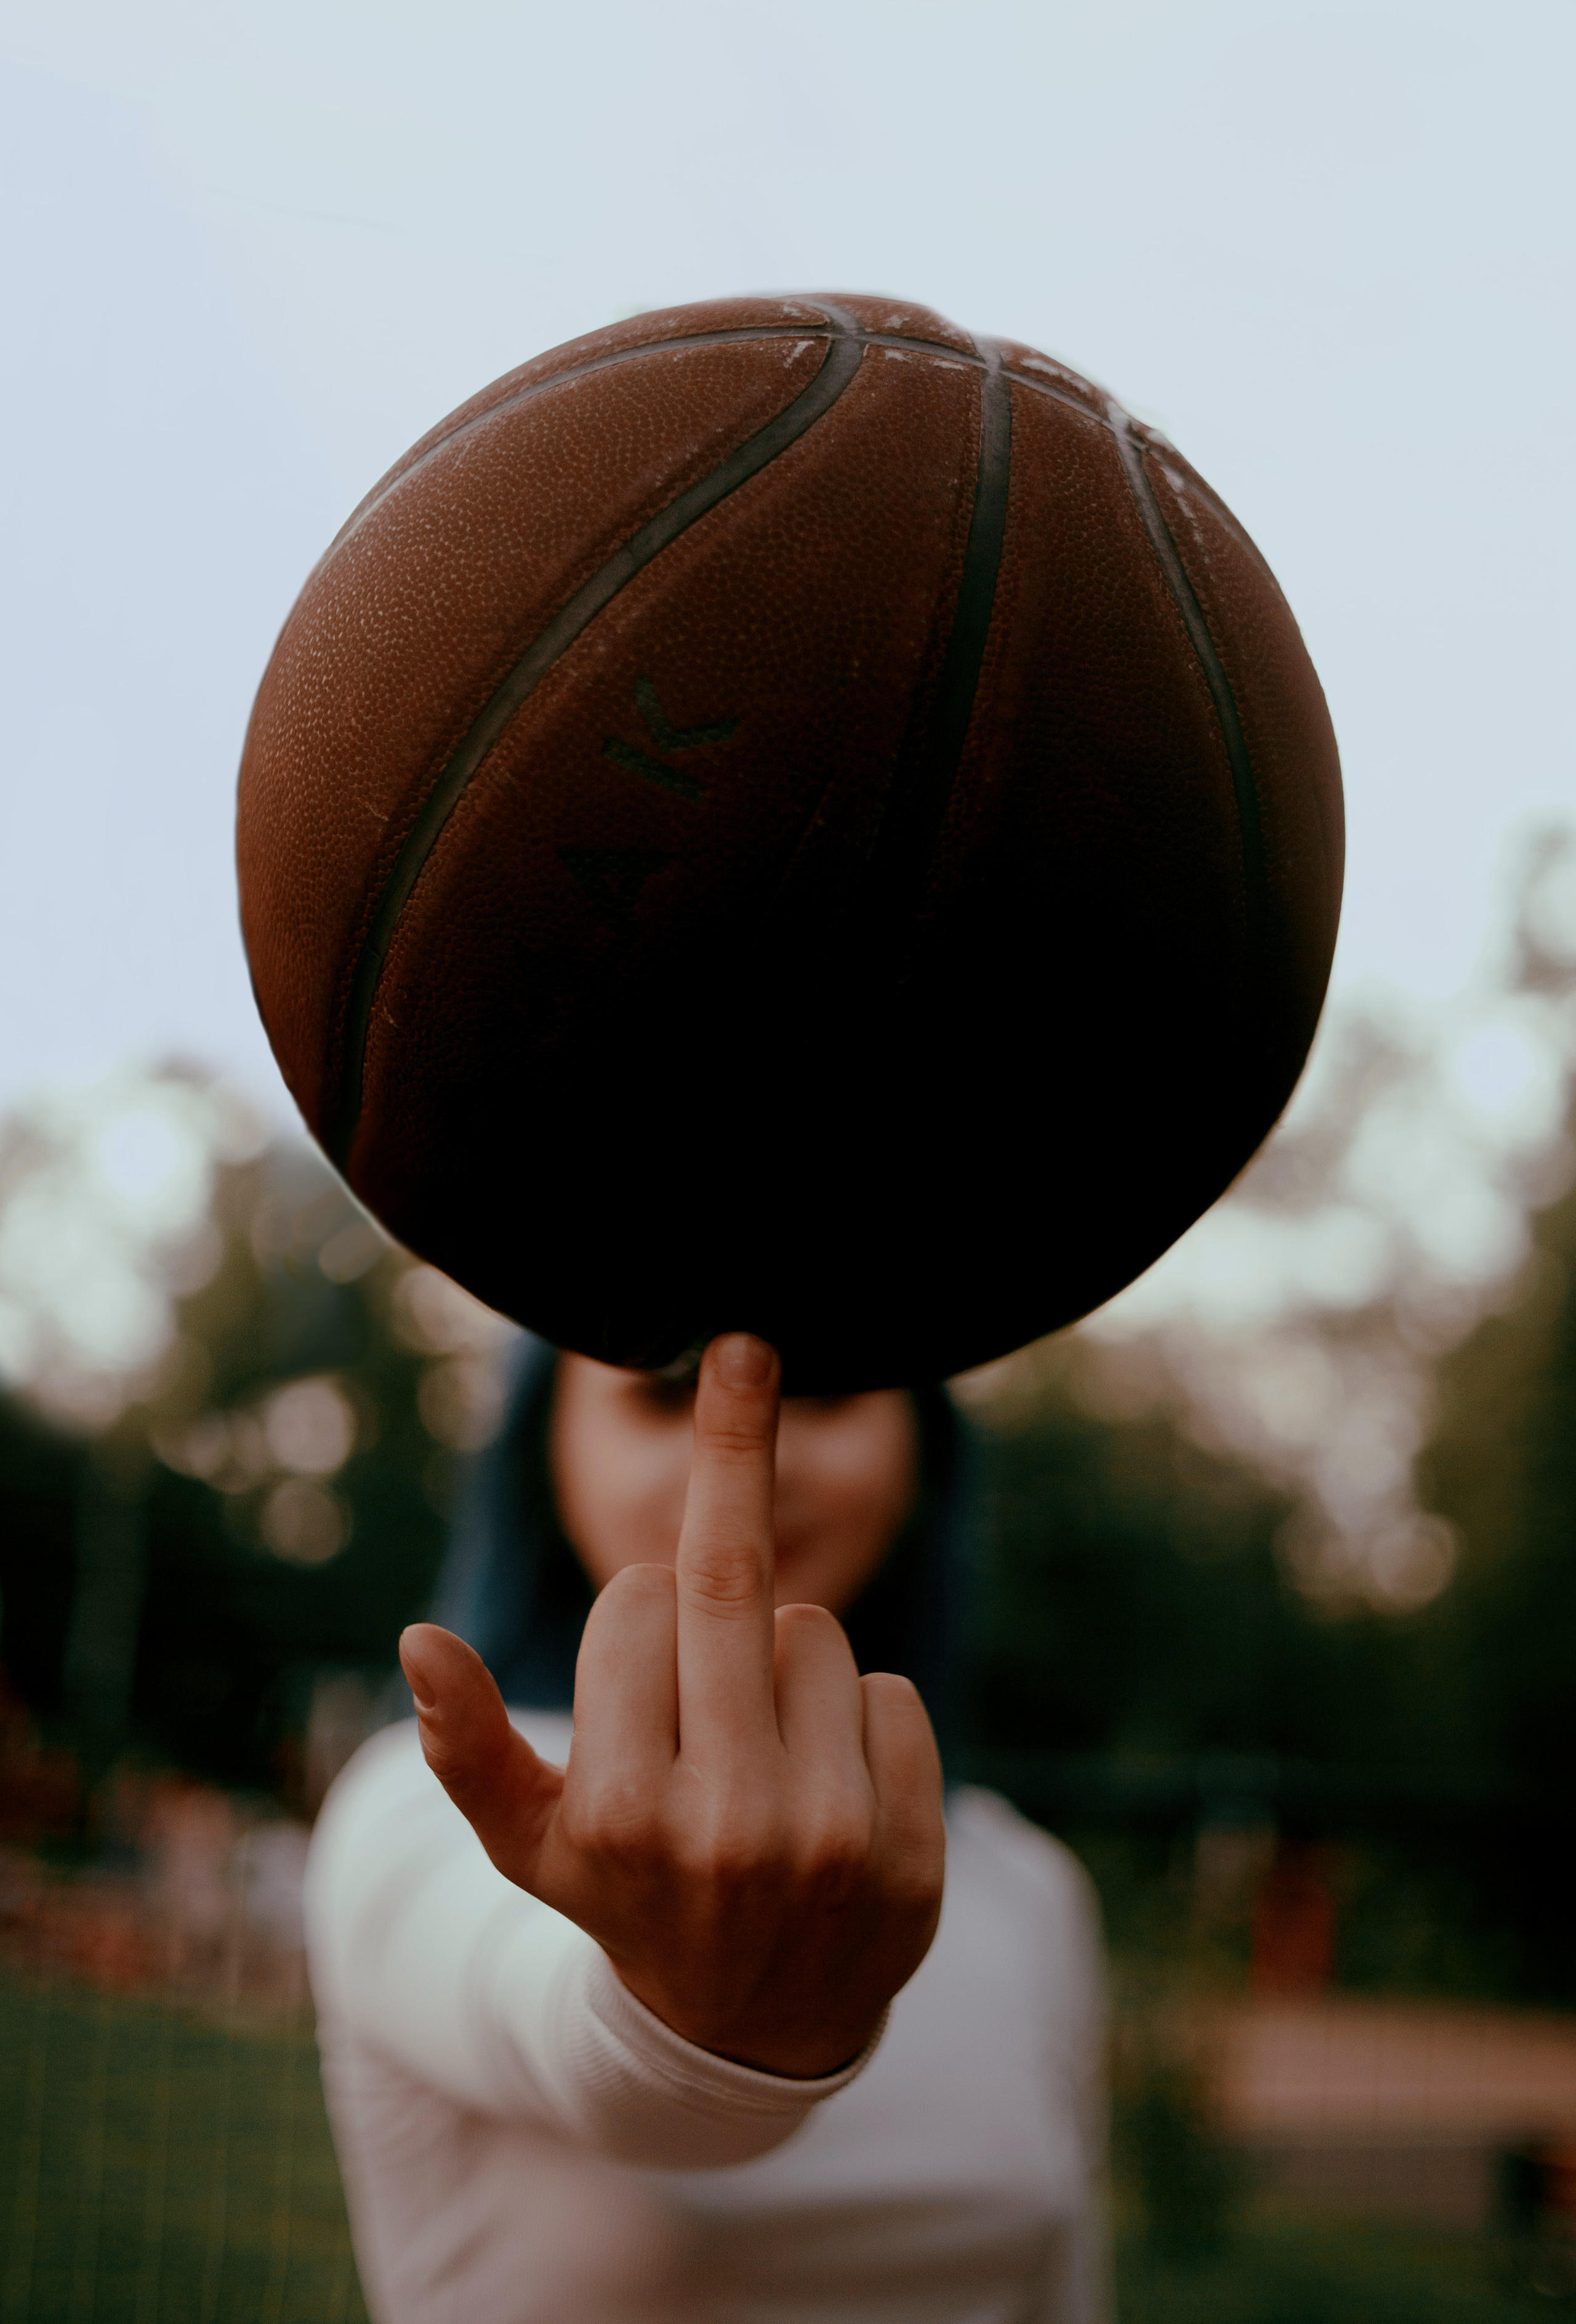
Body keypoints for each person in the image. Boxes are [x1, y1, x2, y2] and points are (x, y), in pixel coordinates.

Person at [305, 1332, 1109, 2323]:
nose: (761, 1449)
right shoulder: (424, 1809)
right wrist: (699, 2023)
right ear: (548, 1448)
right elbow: (569, 2040)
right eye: (660, 1395)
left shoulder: (1031, 1886)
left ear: (923, 1447)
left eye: (831, 1390)